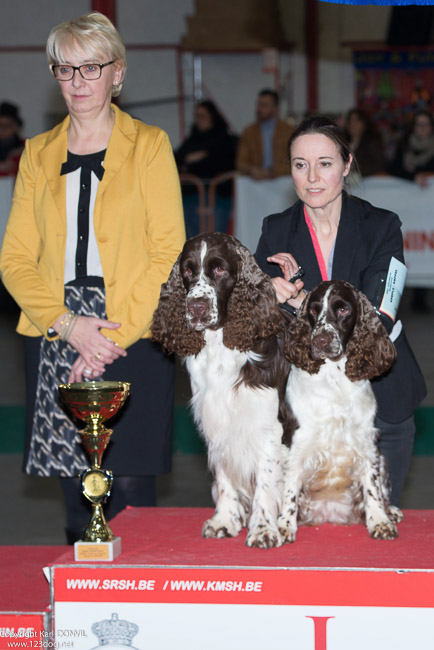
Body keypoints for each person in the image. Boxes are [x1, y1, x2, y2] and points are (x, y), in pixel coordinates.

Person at [0, 12, 185, 544]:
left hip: (135, 325)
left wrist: (107, 337)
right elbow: (15, 258)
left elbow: (167, 251)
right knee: (78, 495)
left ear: (117, 74)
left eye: (91, 68)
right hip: (56, 329)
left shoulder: (149, 145)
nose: (77, 82)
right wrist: (68, 324)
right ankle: (85, 619)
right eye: (65, 69)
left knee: (131, 492)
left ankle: (141, 616)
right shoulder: (37, 153)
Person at [254, 115, 426, 507]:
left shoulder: (382, 226)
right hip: (306, 402)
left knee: (379, 520)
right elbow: (257, 316)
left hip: (382, 396)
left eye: (325, 164)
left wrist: (301, 302)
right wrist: (268, 293)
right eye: (300, 165)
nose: (312, 177)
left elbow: (379, 314)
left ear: (346, 165)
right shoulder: (276, 229)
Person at [388, 109, 434, 312]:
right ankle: (418, 297)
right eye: (419, 125)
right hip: (415, 209)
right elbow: (393, 168)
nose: (422, 129)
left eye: (426, 124)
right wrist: (414, 176)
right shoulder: (404, 148)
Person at [175, 100, 238, 238]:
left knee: (215, 240)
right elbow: (176, 158)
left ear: (212, 117)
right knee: (193, 241)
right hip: (190, 197)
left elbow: (220, 163)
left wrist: (192, 162)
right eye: (197, 115)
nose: (199, 119)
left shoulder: (224, 139)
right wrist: (199, 158)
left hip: (217, 196)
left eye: (203, 115)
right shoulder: (193, 138)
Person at [236, 88, 294, 180]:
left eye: (264, 105)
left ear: (275, 108)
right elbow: (241, 163)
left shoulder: (289, 131)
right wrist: (252, 170)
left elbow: (295, 162)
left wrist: (271, 171)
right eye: (258, 104)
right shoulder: (249, 131)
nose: (259, 109)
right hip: (255, 182)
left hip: (283, 182)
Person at [344, 107, 386, 177]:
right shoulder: (343, 143)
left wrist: (356, 172)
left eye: (356, 121)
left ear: (364, 124)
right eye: (350, 121)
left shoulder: (371, 143)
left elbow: (379, 165)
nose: (352, 124)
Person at [0, 101, 24, 175]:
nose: (3, 129)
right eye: (0, 125)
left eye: (8, 125)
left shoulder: (27, 147)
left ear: (16, 126)